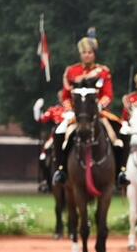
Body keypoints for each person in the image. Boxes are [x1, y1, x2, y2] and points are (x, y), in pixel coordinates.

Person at [51, 29, 129, 187]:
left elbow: (108, 94)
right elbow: (66, 95)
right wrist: (70, 109)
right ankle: (60, 170)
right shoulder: (71, 71)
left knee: (124, 132)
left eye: (89, 52)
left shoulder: (103, 72)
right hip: (77, 113)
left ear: (94, 54)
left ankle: (121, 171)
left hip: (98, 113)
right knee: (59, 132)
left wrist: (99, 106)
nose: (87, 55)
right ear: (80, 54)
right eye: (84, 52)